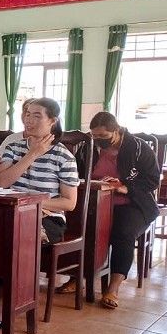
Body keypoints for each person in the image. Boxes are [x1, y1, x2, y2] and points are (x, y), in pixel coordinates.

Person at [0, 97, 79, 329]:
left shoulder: (64, 156)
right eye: (28, 114)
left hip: (48, 219)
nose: (29, 119)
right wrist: (31, 155)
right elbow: (2, 182)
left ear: (53, 121)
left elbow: (69, 203)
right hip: (14, 215)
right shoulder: (16, 147)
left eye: (37, 115)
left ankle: (5, 309)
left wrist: (38, 205)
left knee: (15, 238)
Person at [60, 112, 159, 309]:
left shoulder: (138, 148)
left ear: (118, 130)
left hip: (131, 203)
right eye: (95, 136)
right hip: (95, 202)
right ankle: (77, 277)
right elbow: (75, 173)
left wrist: (124, 186)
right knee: (79, 228)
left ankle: (113, 288)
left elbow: (152, 180)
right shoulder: (88, 147)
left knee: (123, 233)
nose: (98, 140)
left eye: (103, 136)